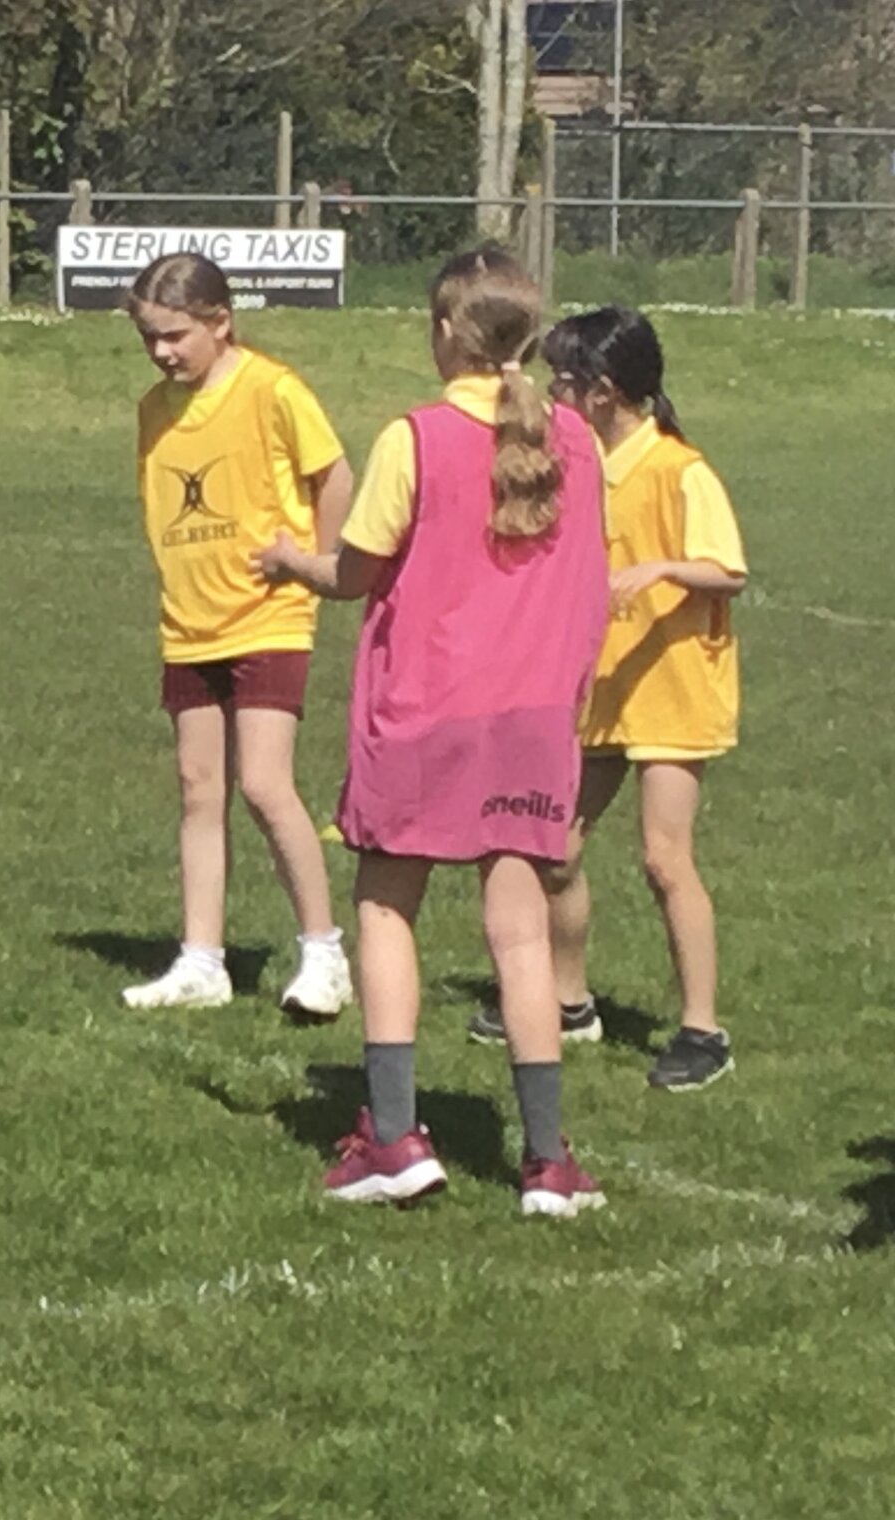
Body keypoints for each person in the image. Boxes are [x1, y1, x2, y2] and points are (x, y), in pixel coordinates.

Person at [258, 247, 611, 1218]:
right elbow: (587, 584)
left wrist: (293, 561)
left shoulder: (414, 438)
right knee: (520, 931)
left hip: (427, 712)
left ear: (446, 332)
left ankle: (391, 1134)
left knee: (383, 909)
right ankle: (545, 1160)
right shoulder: (575, 440)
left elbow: (356, 571)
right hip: (534, 718)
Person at [464, 307, 747, 1092]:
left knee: (664, 857)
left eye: (566, 379)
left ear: (604, 390)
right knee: (556, 847)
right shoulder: (579, 460)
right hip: (598, 691)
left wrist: (657, 569)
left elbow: (728, 571)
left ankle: (701, 1029)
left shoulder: (679, 469)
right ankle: (569, 1000)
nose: (556, 390)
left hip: (675, 690)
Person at [121, 252, 356, 1017]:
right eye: (149, 337)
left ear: (220, 323)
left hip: (268, 614)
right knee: (199, 789)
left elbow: (333, 475)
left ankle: (323, 953)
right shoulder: (153, 408)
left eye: (175, 335)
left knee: (263, 783)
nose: (161, 352)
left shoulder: (273, 390)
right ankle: (202, 960)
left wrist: (318, 565)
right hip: (190, 623)